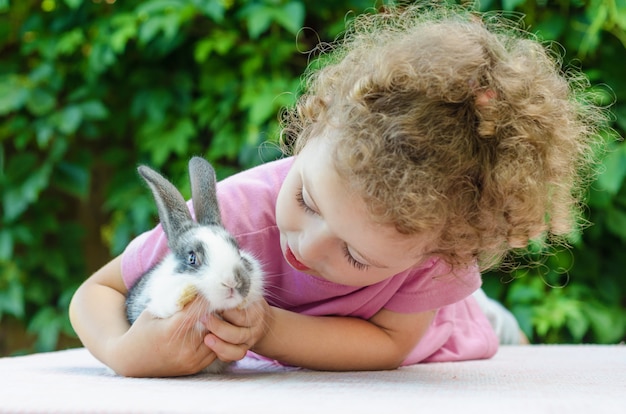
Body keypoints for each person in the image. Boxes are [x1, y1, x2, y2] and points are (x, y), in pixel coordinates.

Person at [69, 2, 605, 377]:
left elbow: (391, 345)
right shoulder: (231, 217)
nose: (306, 245)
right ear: (311, 133)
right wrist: (124, 352)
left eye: (353, 252)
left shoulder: (438, 256)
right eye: (305, 200)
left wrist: (266, 328)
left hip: (444, 325)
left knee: (497, 332)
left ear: (438, 253)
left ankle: (496, 316)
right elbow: (96, 292)